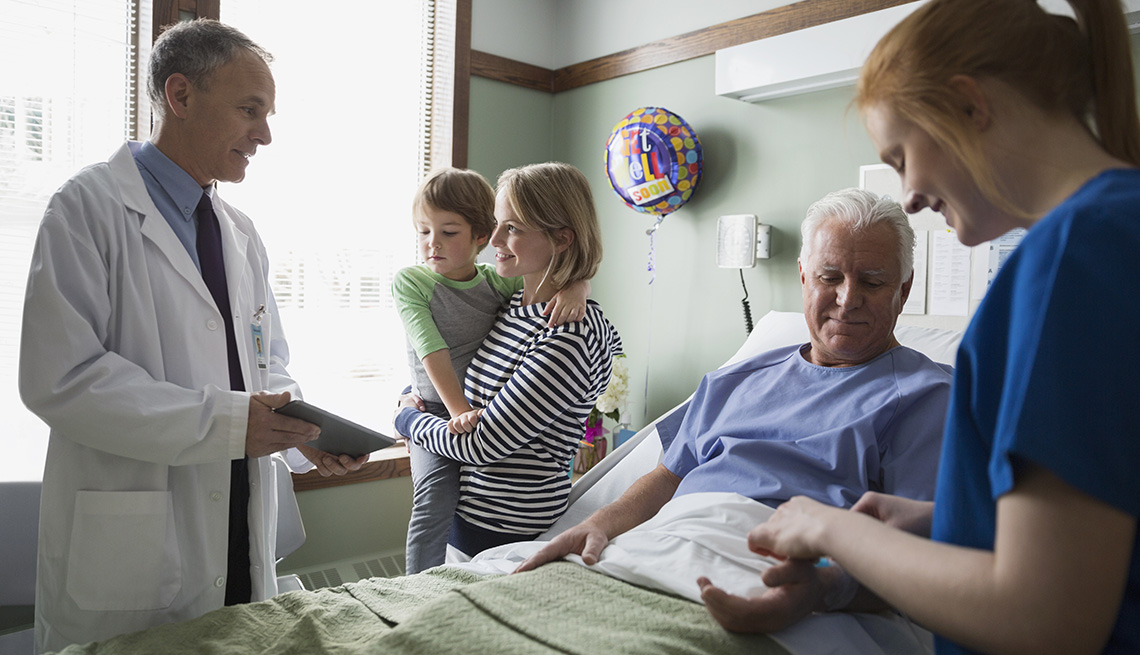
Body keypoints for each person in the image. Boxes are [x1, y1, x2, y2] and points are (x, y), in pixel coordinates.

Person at [744, 1, 1140, 654]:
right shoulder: (1117, 229)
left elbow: (1047, 618)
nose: (907, 196)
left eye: (900, 156)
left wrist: (831, 529)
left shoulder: (1071, 256)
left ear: (967, 106)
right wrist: (943, 520)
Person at [18, 19, 365, 654]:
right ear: (180, 97)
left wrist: (301, 433)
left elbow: (268, 366)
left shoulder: (240, 232)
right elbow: (61, 380)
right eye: (249, 110)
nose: (265, 134)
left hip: (238, 522)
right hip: (135, 542)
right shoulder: (86, 208)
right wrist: (229, 424)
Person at [518, 187, 954, 626]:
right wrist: (599, 525)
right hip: (660, 545)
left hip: (778, 569)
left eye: (873, 282)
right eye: (829, 277)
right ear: (803, 276)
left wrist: (825, 586)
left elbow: (924, 557)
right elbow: (667, 477)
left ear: (905, 287)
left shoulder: (926, 398)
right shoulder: (734, 380)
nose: (847, 298)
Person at [394, 162, 623, 559]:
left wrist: (406, 419)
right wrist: (411, 393)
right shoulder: (510, 303)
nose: (492, 238)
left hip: (502, 537)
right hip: (461, 522)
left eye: (512, 228)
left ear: (561, 238)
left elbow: (484, 444)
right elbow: (454, 362)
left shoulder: (570, 334)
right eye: (497, 224)